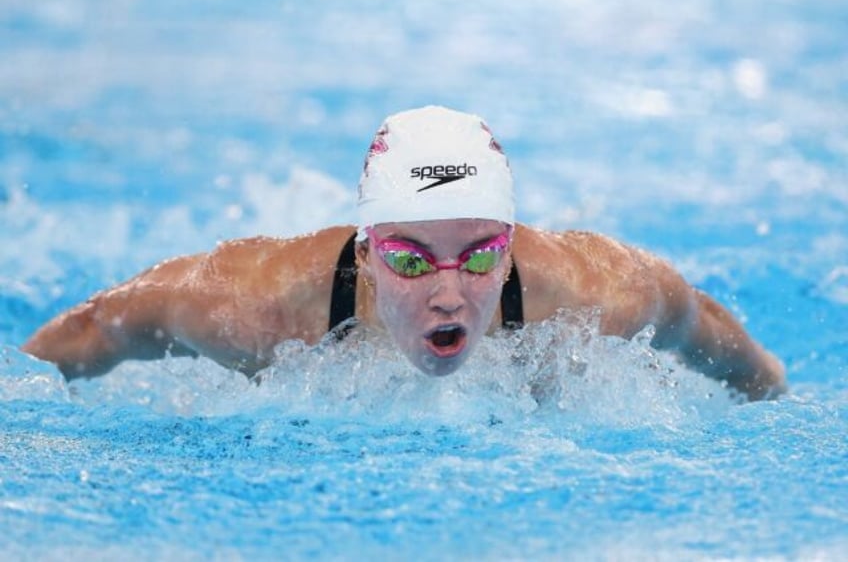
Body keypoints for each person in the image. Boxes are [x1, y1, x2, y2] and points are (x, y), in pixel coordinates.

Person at [21, 106, 787, 400]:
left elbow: (702, 322)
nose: (450, 293)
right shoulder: (254, 305)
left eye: (480, 255)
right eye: (413, 260)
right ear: (367, 246)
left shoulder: (592, 291)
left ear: (511, 242)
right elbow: (98, 325)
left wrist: (771, 394)